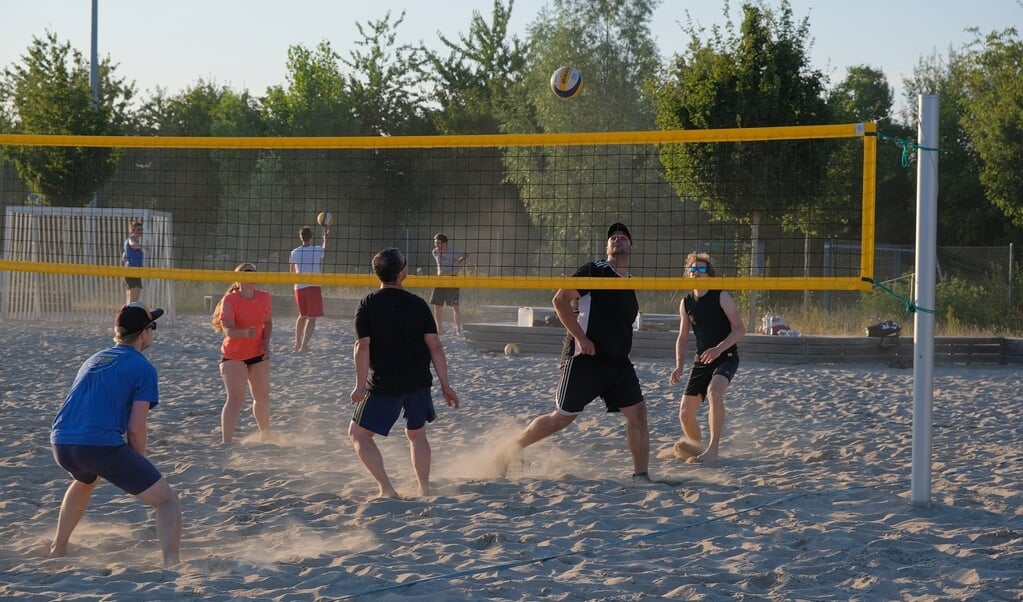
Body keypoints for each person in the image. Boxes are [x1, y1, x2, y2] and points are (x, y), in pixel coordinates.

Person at [498, 223, 651, 482]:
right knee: (561, 418)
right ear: (606, 247)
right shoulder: (594, 270)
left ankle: (641, 476)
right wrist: (582, 338)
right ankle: (508, 451)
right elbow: (559, 300)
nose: (617, 241)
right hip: (585, 359)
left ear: (632, 247)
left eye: (623, 238)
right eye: (612, 238)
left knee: (638, 415)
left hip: (618, 364)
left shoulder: (630, 281)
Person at [49, 302, 181, 567]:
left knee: (85, 481)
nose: (153, 332)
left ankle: (58, 548)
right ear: (143, 333)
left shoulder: (95, 358)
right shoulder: (143, 368)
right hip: (97, 445)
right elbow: (135, 427)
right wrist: (139, 465)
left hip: (61, 442)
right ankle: (172, 564)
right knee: (167, 501)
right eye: (152, 327)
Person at [349, 247, 460, 498]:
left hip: (384, 383)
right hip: (418, 381)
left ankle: (387, 489)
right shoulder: (418, 304)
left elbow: (362, 346)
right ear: (402, 273)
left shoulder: (367, 304)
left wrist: (359, 385)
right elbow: (435, 345)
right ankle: (424, 488)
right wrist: (445, 385)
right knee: (417, 435)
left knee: (358, 434)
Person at [668, 251, 746, 464]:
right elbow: (683, 338)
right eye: (693, 269)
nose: (696, 273)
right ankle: (696, 447)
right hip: (702, 360)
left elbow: (740, 329)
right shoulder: (686, 303)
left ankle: (713, 450)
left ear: (709, 273)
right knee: (685, 413)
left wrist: (719, 349)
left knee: (714, 392)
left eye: (701, 269)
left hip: (726, 355)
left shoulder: (721, 295)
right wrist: (679, 366)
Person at [211, 263, 273, 444]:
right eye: (246, 273)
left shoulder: (264, 297)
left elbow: (268, 323)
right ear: (238, 279)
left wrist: (265, 343)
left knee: (262, 397)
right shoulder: (230, 300)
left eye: (253, 273)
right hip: (233, 355)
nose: (250, 277)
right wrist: (244, 333)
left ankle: (265, 435)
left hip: (257, 353)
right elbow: (227, 329)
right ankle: (226, 442)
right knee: (235, 398)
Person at [289, 225, 329, 352]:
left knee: (302, 315)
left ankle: (297, 343)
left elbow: (291, 272)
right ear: (311, 237)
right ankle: (304, 346)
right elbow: (324, 249)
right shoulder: (316, 250)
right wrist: (325, 238)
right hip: (313, 287)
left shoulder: (294, 252)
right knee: (311, 318)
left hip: (299, 288)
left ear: (300, 237)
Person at [429, 233, 469, 336]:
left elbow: (466, 254)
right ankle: (439, 329)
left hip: (452, 280)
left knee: (454, 305)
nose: (436, 245)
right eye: (435, 243)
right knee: (437, 306)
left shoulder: (454, 251)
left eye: (438, 243)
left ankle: (458, 329)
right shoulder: (435, 252)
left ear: (445, 243)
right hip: (440, 280)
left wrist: (458, 263)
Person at [122, 221, 145, 303]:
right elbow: (133, 245)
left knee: (131, 299)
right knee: (133, 299)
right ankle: (128, 315)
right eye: (138, 229)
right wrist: (145, 247)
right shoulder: (131, 240)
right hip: (132, 271)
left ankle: (127, 314)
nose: (140, 231)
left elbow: (123, 257)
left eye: (141, 229)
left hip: (131, 270)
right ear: (132, 230)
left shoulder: (131, 242)